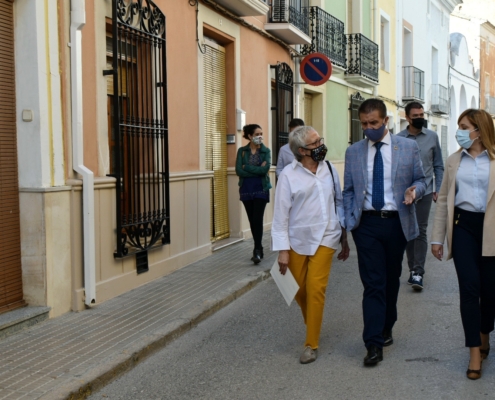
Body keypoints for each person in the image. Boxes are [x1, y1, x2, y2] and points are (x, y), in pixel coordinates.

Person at [343, 98, 426, 366]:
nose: (368, 128)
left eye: (374, 123)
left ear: (385, 121)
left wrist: (415, 191)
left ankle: (387, 324)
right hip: (365, 224)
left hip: (396, 222)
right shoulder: (354, 152)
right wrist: (348, 221)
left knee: (391, 279)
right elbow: (349, 191)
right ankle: (373, 342)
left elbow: (421, 179)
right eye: (364, 124)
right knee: (373, 283)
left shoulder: (408, 147)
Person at [272, 126, 350, 364]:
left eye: (320, 141)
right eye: (315, 144)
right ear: (301, 151)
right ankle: (313, 322)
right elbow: (280, 214)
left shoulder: (328, 168)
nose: (321, 146)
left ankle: (311, 344)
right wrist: (283, 250)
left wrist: (344, 236)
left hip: (327, 236)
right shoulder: (288, 175)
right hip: (297, 239)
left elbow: (339, 200)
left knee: (316, 289)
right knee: (297, 290)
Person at [431, 109, 495, 380]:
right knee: (469, 289)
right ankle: (473, 352)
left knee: (490, 292)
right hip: (463, 228)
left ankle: (484, 333)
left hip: (492, 228)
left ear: (478, 131)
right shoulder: (454, 160)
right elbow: (444, 199)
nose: (460, 131)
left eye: (464, 126)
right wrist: (437, 238)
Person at [398, 102, 444, 291]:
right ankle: (411, 269)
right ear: (407, 118)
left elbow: (438, 165)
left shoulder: (432, 137)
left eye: (421, 114)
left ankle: (418, 272)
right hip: (405, 192)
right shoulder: (398, 138)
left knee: (421, 230)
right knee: (409, 230)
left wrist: (438, 188)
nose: (420, 118)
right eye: (415, 115)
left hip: (424, 191)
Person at [235, 124, 272, 264]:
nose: (259, 137)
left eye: (261, 133)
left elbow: (265, 170)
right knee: (252, 219)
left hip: (261, 188)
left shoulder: (265, 151)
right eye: (257, 134)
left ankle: (256, 250)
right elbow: (239, 170)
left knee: (257, 218)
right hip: (246, 188)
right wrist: (256, 168)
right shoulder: (242, 151)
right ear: (250, 136)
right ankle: (259, 248)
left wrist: (248, 168)